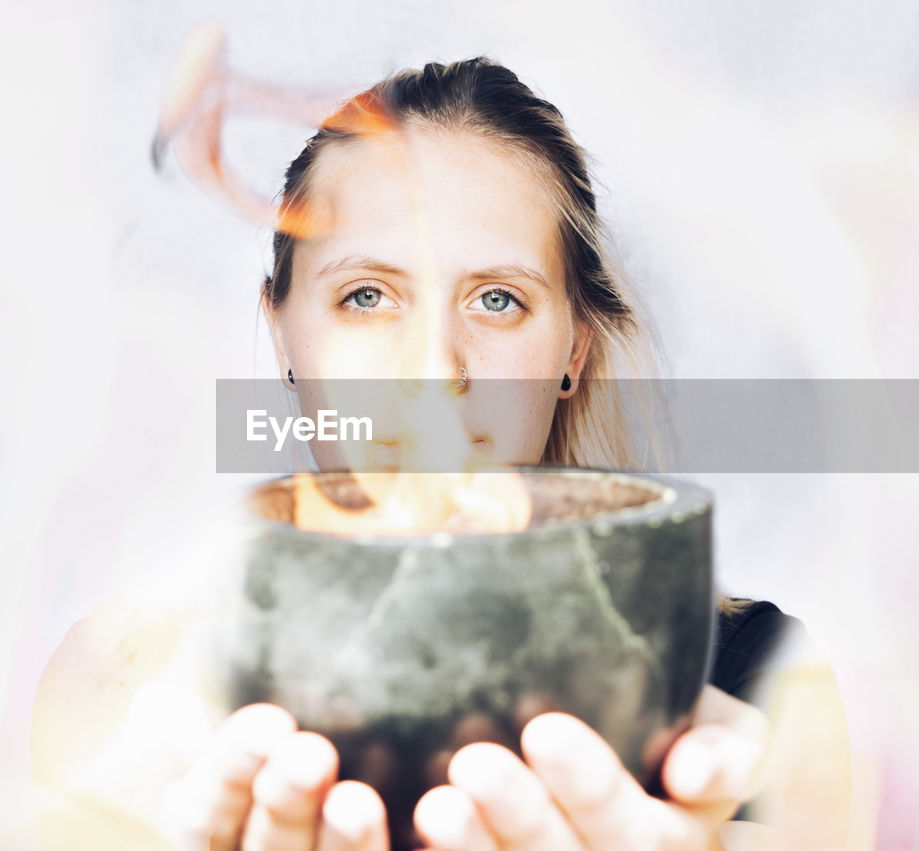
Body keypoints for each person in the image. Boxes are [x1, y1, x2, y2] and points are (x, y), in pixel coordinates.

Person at [180, 57, 852, 850]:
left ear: (574, 348)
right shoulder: (142, 683)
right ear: (284, 332)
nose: (435, 368)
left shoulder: (760, 688)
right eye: (367, 294)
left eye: (497, 299)